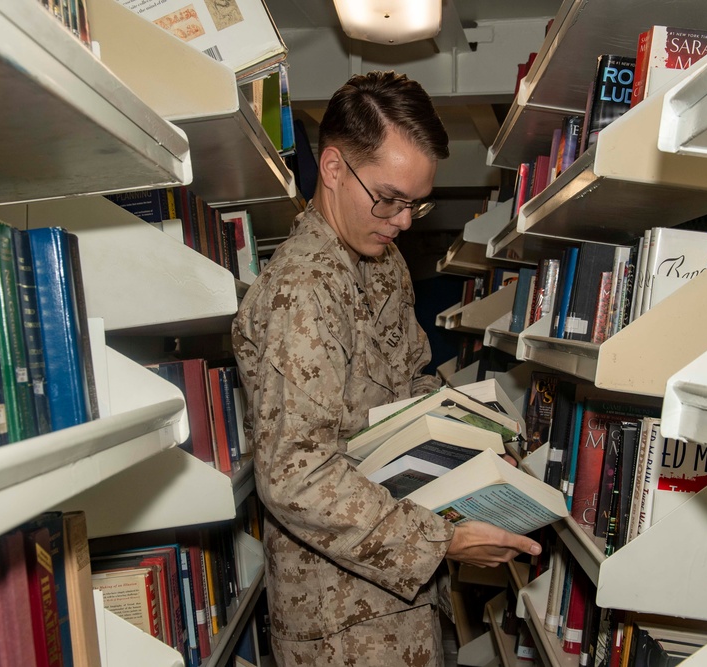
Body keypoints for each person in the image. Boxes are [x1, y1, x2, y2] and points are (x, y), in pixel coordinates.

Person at [232, 70, 541, 666]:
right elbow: (296, 475)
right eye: (388, 198)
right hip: (339, 621)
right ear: (332, 169)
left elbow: (414, 382)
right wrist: (442, 541)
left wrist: (476, 447)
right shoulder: (301, 291)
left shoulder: (384, 261)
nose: (402, 220)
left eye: (414, 203)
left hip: (402, 596)